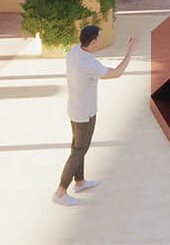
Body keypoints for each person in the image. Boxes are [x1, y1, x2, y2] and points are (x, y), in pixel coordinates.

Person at [52, 26, 135, 206]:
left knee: (78, 147)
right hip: (85, 113)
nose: (100, 39)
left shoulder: (75, 51)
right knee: (79, 150)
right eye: (99, 37)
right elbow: (117, 73)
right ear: (93, 42)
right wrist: (130, 50)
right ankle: (60, 192)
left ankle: (80, 182)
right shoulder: (89, 65)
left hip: (75, 109)